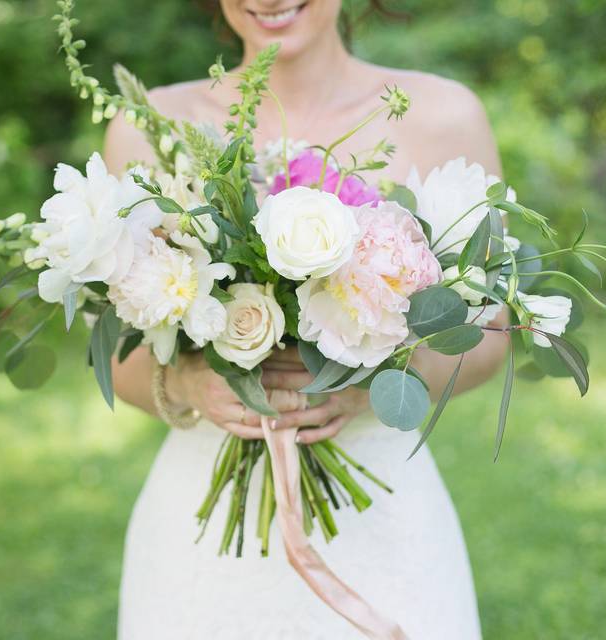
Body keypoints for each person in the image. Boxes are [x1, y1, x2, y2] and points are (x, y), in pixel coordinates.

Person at [106, 1, 508, 637]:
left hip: (383, 522)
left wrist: (365, 388)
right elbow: (117, 354)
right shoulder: (148, 127)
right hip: (201, 540)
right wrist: (191, 386)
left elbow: (489, 334)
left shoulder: (445, 116)